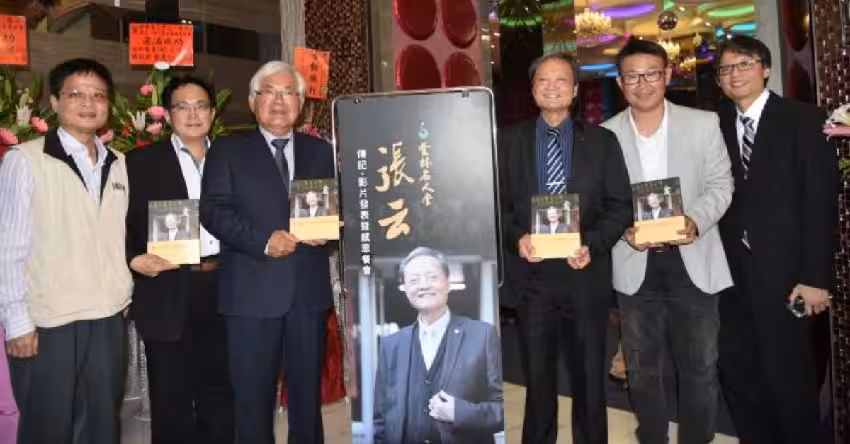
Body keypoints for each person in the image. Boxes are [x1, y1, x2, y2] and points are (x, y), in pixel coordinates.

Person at [601, 38, 734, 444]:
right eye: (632, 77)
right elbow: (599, 201)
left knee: (700, 367)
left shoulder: (703, 123)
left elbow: (721, 184)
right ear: (620, 83)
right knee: (642, 369)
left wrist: (695, 220)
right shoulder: (604, 135)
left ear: (668, 75)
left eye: (651, 74)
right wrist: (624, 229)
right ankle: (652, 437)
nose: (642, 84)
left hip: (693, 258)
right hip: (634, 261)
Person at [499, 51, 633, 444]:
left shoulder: (603, 141)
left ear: (575, 90)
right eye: (543, 80)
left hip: (584, 274)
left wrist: (591, 244)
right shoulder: (509, 141)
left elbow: (620, 206)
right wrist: (517, 238)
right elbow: (495, 205)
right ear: (532, 89)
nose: (552, 87)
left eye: (561, 80)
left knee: (589, 380)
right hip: (532, 276)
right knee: (537, 380)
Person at [200, 60, 336, 444]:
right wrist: (263, 240)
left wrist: (327, 231)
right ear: (252, 101)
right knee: (252, 402)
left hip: (307, 295)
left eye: (289, 93)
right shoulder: (228, 149)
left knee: (307, 400)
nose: (279, 101)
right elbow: (214, 211)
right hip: (250, 294)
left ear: (301, 104)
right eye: (269, 93)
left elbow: (330, 208)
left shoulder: (319, 150)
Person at [0, 58, 131, 444]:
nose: (89, 103)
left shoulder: (119, 163)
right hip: (50, 320)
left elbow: (115, 235)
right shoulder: (26, 160)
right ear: (55, 102)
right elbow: (8, 247)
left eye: (98, 96)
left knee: (102, 425)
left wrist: (122, 289)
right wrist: (17, 320)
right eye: (76, 94)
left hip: (107, 315)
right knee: (49, 427)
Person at [715, 35, 837, 444]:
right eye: (726, 69)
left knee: (789, 379)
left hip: (789, 277)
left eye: (745, 64)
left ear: (765, 69)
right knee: (741, 376)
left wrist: (816, 278)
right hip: (730, 279)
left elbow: (820, 201)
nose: (735, 74)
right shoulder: (715, 125)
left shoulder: (803, 119)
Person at [125, 76, 234, 444]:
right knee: (170, 394)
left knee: (221, 390)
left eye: (201, 106)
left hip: (224, 284)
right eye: (182, 107)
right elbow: (115, 226)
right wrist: (132, 259)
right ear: (168, 115)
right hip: (168, 286)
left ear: (213, 113)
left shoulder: (233, 158)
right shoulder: (139, 163)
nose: (192, 114)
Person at [373, 247, 504, 443]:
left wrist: (459, 412)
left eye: (432, 277)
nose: (423, 285)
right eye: (414, 280)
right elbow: (380, 420)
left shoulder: (482, 336)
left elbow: (503, 408)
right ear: (405, 289)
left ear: (448, 283)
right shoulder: (391, 346)